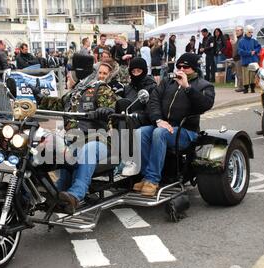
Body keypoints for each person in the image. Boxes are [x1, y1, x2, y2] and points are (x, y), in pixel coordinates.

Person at [33, 54, 118, 213]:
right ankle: (55, 191)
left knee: (88, 149)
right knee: (56, 148)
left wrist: (105, 111)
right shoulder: (75, 92)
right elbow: (57, 105)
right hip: (74, 140)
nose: (70, 74)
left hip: (99, 140)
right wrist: (39, 96)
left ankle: (76, 194)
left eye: (73, 71)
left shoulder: (101, 89)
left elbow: (113, 109)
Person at [133, 53, 215, 196]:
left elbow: (205, 105)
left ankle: (153, 180)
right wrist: (158, 119)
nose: (181, 69)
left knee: (160, 133)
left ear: (194, 68)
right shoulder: (167, 82)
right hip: (164, 125)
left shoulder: (204, 85)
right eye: (179, 66)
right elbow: (154, 100)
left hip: (187, 130)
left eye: (186, 67)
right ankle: (146, 176)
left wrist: (187, 87)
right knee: (140, 133)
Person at [238, 25, 261, 94]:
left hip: (253, 61)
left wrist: (255, 51)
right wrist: (249, 53)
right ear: (246, 32)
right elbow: (240, 51)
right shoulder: (241, 41)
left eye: (251, 32)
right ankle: (246, 89)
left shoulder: (254, 40)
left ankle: (252, 88)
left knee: (252, 76)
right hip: (245, 61)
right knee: (245, 75)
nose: (251, 34)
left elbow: (259, 47)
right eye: (250, 32)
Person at [232, 26, 245, 92]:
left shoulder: (242, 39)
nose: (237, 32)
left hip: (239, 58)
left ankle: (241, 86)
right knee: (238, 73)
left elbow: (240, 49)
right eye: (236, 31)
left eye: (238, 30)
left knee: (240, 73)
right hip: (236, 58)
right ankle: (240, 86)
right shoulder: (239, 39)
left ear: (242, 31)